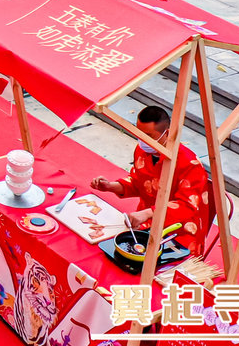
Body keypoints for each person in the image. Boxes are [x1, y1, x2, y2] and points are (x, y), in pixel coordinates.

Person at [89, 105, 213, 254]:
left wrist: (148, 213)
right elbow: (138, 182)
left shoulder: (190, 164)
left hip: (179, 231)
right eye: (139, 134)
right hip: (144, 222)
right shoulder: (141, 150)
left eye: (148, 136)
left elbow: (187, 207)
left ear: (166, 133)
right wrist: (110, 186)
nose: (142, 140)